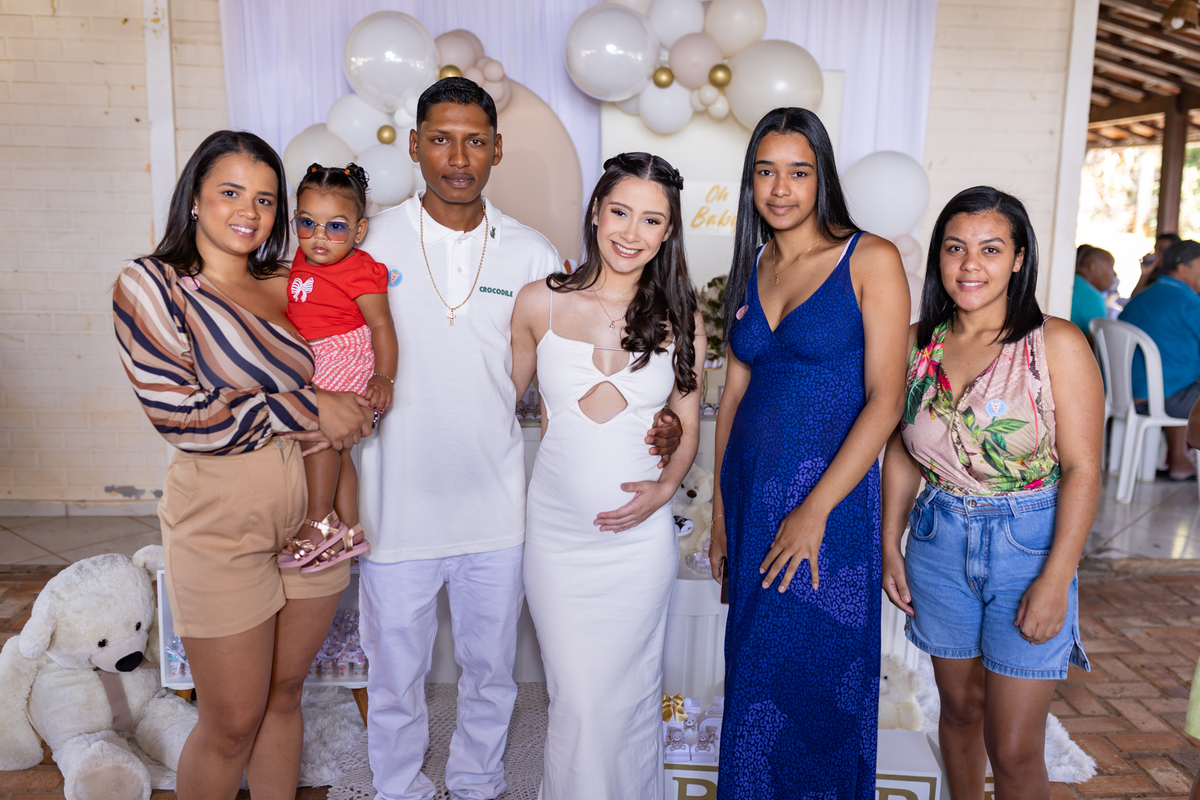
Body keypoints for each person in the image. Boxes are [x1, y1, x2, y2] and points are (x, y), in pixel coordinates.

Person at [354, 78, 682, 800]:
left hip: (498, 507)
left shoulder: (533, 255)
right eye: (440, 139)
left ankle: (477, 783)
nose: (458, 156)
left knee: (491, 671)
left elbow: (567, 371)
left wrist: (656, 419)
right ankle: (397, 787)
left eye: (475, 140)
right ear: (413, 145)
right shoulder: (369, 241)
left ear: (497, 150)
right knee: (395, 673)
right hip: (392, 502)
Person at [112, 130, 374, 799]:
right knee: (231, 720)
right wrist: (313, 406)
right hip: (221, 522)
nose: (249, 212)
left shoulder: (289, 280)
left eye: (264, 199)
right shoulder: (154, 285)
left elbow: (353, 356)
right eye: (230, 192)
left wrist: (360, 401)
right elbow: (184, 416)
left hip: (315, 517)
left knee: (286, 695)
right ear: (194, 198)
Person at [708, 107, 910, 798]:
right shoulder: (756, 262)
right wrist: (720, 517)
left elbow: (887, 400)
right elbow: (733, 399)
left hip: (831, 507)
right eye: (766, 171)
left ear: (822, 177)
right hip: (752, 499)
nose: (781, 188)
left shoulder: (870, 258)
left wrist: (815, 510)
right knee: (755, 680)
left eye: (798, 172)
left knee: (820, 682)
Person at [881, 186, 1101, 800]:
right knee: (958, 709)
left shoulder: (1055, 344)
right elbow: (900, 445)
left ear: (1019, 258)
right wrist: (890, 541)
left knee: (1013, 746)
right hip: (937, 540)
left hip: (1029, 544)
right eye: (955, 248)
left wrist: (1056, 578)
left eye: (991, 249)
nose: (970, 265)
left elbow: (1084, 469)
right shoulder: (916, 343)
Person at [510, 152, 705, 799]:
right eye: (620, 211)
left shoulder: (683, 319)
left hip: (637, 546)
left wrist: (665, 489)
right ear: (596, 211)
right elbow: (497, 405)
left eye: (651, 220)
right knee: (578, 700)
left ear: (668, 232)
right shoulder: (538, 302)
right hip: (558, 540)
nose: (631, 232)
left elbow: (688, 425)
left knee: (627, 698)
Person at [277, 162, 395, 573]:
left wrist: (383, 376)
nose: (319, 236)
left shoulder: (361, 269)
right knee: (340, 450)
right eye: (307, 223)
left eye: (336, 227)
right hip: (316, 353)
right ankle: (350, 529)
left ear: (359, 231)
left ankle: (319, 520)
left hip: (344, 351)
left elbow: (382, 326)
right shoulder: (300, 257)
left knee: (318, 433)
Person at [1118, 238, 1200, 481]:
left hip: (1127, 394)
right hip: (1169, 398)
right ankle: (1181, 460)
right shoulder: (1190, 302)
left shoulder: (1141, 296)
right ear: (1183, 267)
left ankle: (1179, 459)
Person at [1070, 245, 1114, 336]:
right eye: (1111, 267)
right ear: (1094, 268)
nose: (1115, 274)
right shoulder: (1093, 298)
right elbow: (1098, 342)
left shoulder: (1066, 282)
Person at [1132, 231, 1181, 296]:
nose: (1156, 253)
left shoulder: (1177, 278)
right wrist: (1145, 274)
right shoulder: (1154, 273)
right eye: (1155, 249)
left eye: (1161, 250)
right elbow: (1135, 297)